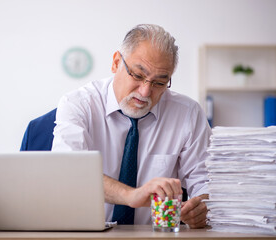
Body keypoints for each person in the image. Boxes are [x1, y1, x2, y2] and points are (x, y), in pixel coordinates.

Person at [51, 24, 211, 228]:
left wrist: (203, 206)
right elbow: (69, 170)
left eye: (159, 83)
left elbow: (205, 180)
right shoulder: (78, 104)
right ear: (116, 62)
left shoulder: (188, 113)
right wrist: (131, 195)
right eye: (137, 75)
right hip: (86, 233)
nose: (145, 92)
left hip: (155, 235)